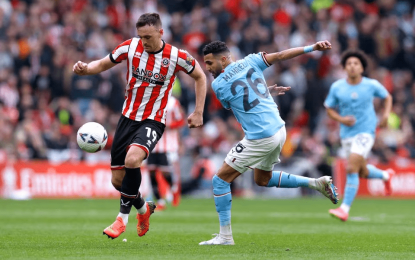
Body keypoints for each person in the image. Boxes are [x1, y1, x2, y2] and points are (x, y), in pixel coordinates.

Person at [73, 13, 206, 239]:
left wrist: (198, 111)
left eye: (148, 36)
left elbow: (200, 77)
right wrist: (86, 68)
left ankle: (121, 219)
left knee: (132, 160)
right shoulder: (130, 47)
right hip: (127, 118)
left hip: (153, 119)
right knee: (118, 181)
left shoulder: (176, 55)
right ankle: (144, 209)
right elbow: (104, 63)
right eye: (140, 36)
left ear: (160, 32)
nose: (144, 41)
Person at [199, 40, 338, 246]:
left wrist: (262, 90)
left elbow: (235, 105)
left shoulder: (218, 84)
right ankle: (316, 183)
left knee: (220, 181)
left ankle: (225, 237)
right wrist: (312, 48)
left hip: (260, 136)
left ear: (225, 59)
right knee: (262, 179)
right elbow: (281, 55)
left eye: (210, 63)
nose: (207, 68)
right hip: (279, 130)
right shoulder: (252, 60)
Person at [324, 50, 394, 222]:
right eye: (349, 64)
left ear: (362, 68)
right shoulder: (337, 87)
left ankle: (344, 209)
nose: (352, 66)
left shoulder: (371, 85)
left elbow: (387, 97)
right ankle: (386, 176)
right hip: (347, 134)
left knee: (351, 168)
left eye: (356, 63)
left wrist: (385, 115)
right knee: (361, 171)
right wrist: (342, 119)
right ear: (344, 68)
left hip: (366, 132)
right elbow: (329, 108)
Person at [147, 95, 185, 210]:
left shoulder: (173, 102)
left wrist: (168, 126)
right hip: (151, 143)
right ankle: (160, 201)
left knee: (165, 172)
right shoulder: (149, 100)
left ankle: (173, 189)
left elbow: (180, 121)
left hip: (168, 145)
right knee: (151, 172)